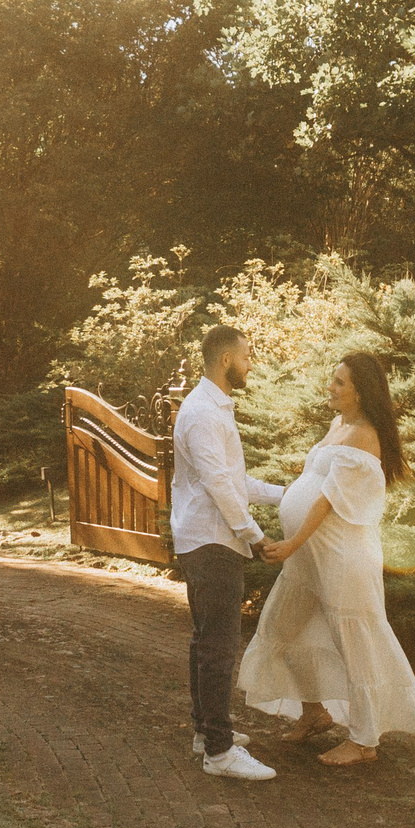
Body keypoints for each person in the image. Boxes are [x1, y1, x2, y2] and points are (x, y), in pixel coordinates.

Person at [240, 350, 415, 767]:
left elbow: (329, 500)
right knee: (283, 626)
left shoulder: (365, 435)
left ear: (361, 393)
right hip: (310, 557)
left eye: (340, 382)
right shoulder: (339, 425)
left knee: (358, 644)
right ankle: (314, 713)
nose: (330, 387)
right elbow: (310, 485)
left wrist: (292, 543)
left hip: (341, 557)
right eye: (332, 379)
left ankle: (364, 740)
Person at [169, 324, 285, 780]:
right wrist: (254, 536)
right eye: (248, 356)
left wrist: (289, 493)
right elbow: (220, 486)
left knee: (205, 642)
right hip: (212, 542)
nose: (251, 364)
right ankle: (219, 753)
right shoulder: (203, 413)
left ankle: (206, 730)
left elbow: (232, 480)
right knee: (219, 646)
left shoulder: (212, 408)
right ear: (225, 360)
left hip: (208, 539)